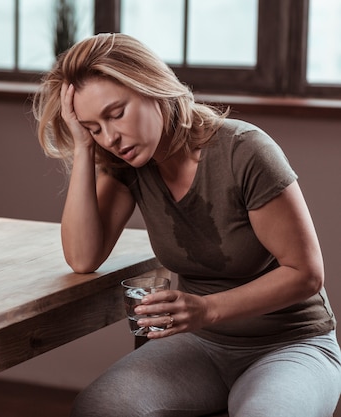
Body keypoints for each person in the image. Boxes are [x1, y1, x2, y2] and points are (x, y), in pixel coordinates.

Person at [33, 33, 341, 417]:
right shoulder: (128, 165)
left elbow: (306, 274)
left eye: (116, 113)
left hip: (290, 345)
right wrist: (83, 148)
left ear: (153, 88)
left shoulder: (244, 151)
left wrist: (206, 309)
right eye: (94, 127)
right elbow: (82, 256)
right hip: (200, 345)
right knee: (98, 409)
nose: (110, 137)